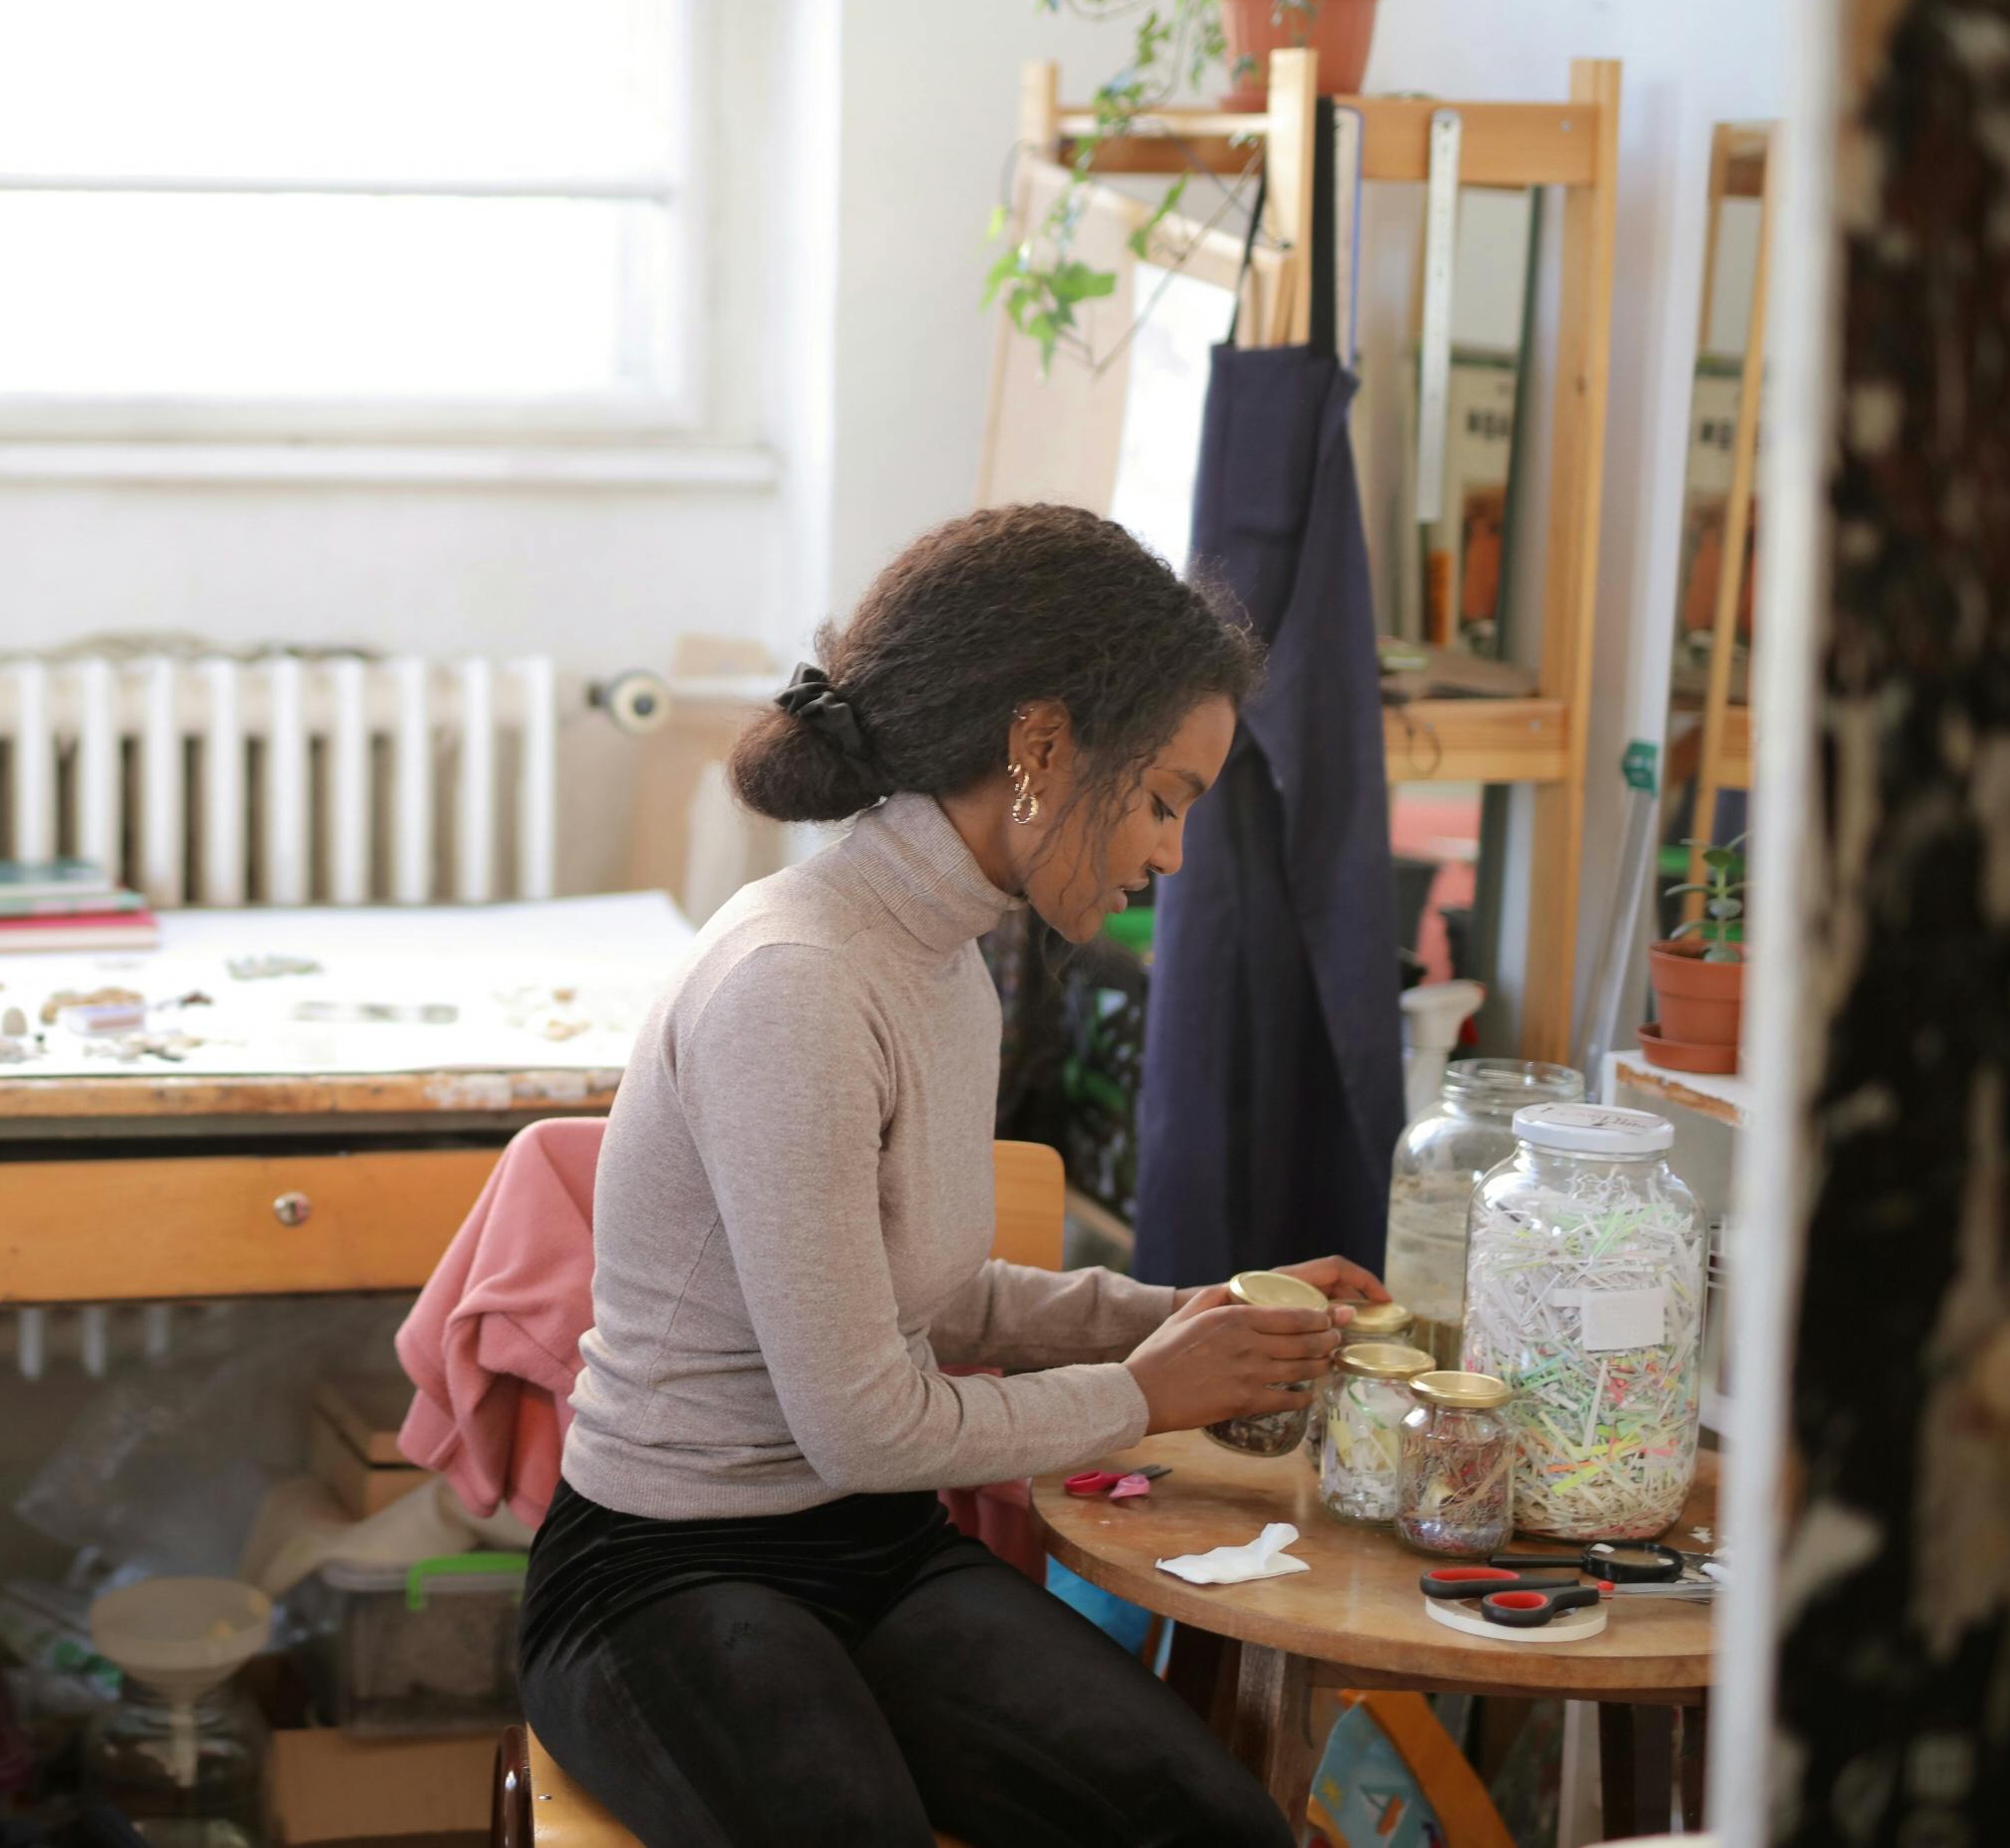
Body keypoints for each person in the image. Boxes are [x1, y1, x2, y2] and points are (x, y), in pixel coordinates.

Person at [520, 505, 1387, 1847]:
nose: (1167, 855)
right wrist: (1144, 1395)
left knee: (1217, 1828)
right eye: (1162, 800)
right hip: (662, 1572)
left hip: (868, 1552)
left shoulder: (943, 957)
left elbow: (937, 1293)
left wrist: (1179, 1308)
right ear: (1040, 747)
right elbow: (862, 1424)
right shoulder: (796, 983)